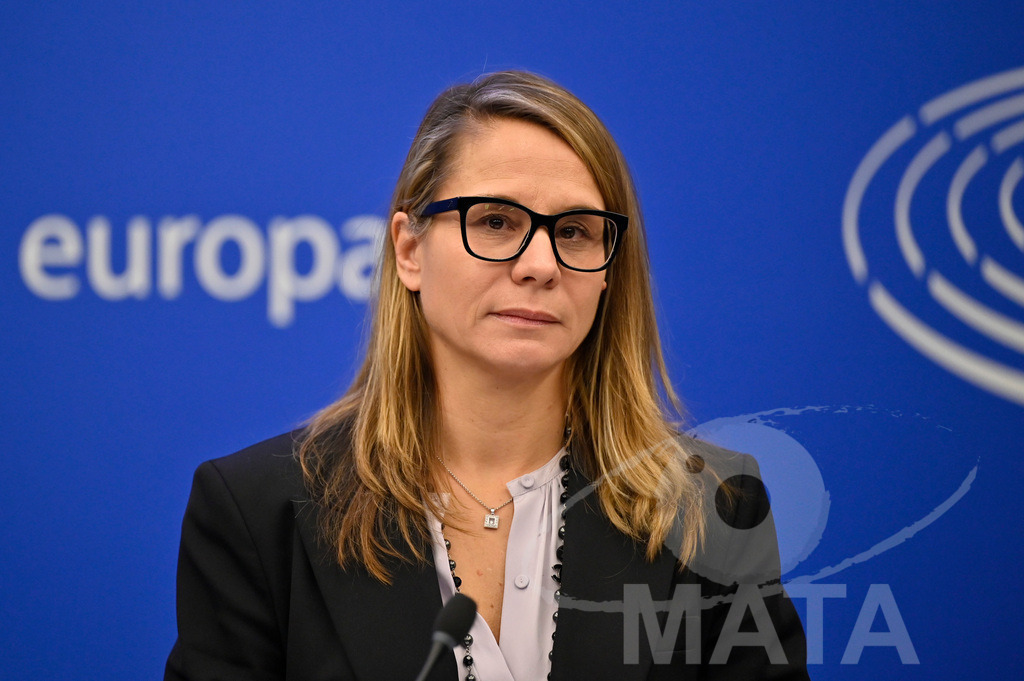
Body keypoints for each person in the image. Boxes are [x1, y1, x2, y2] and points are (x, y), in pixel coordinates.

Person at [165, 70, 809, 680]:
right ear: (410, 250)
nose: (539, 265)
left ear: (610, 271)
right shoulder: (257, 512)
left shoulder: (715, 509)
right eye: (496, 222)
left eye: (576, 232)